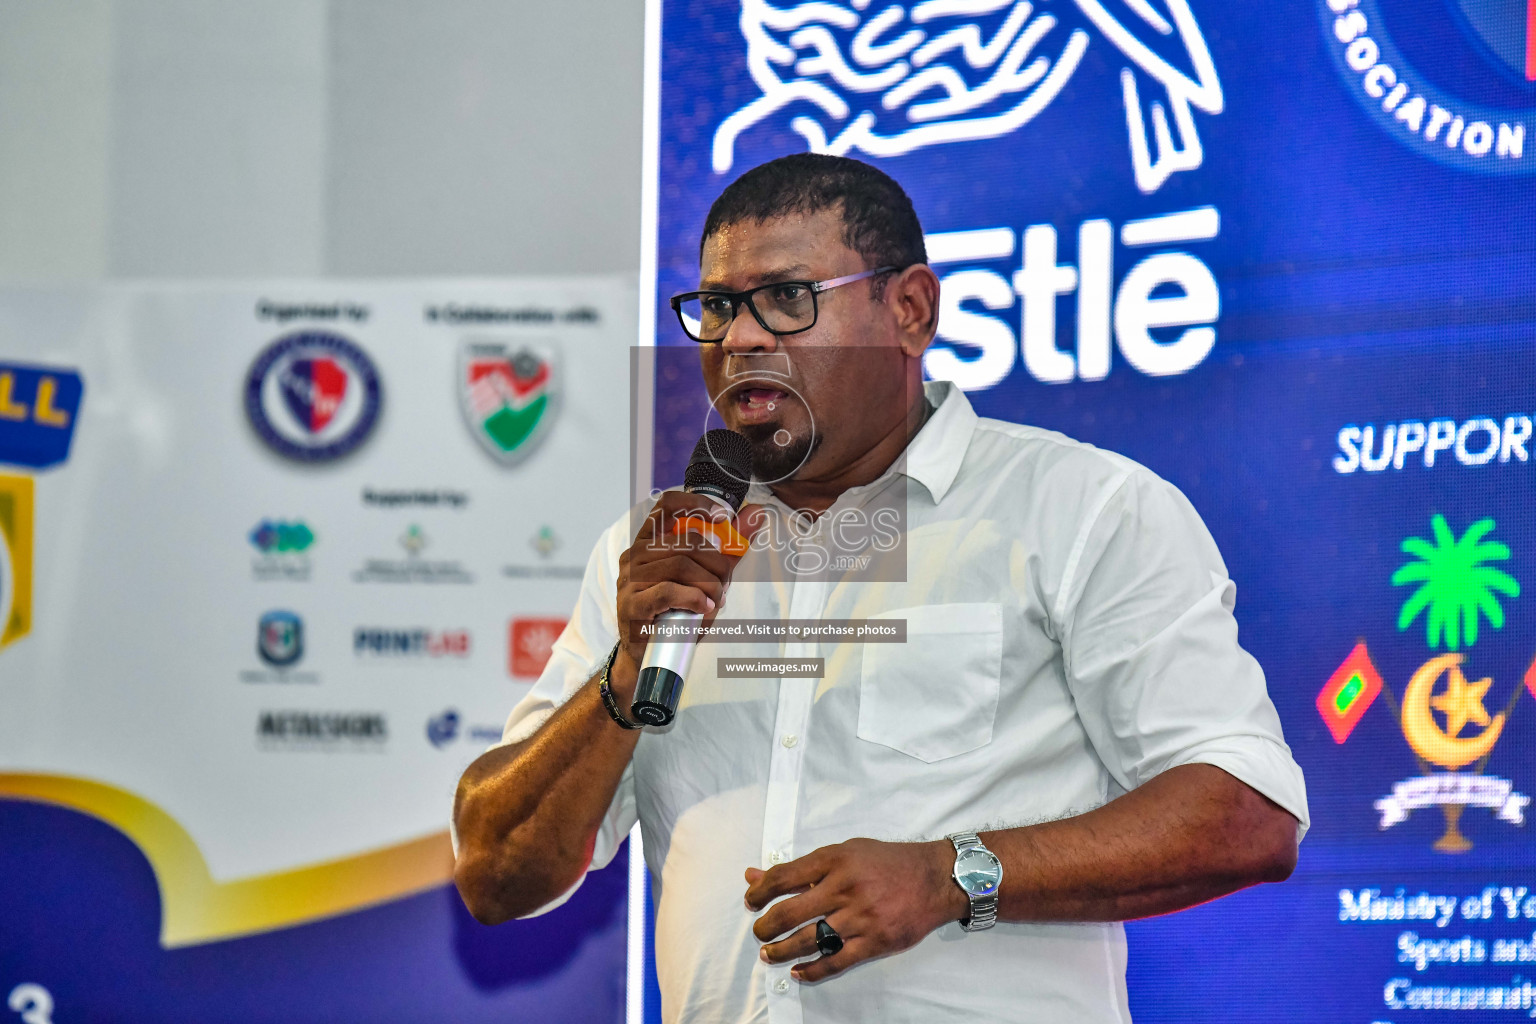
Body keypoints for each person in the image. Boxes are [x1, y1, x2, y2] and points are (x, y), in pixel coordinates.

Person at [452, 153, 1308, 1023]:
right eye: (715, 307)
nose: (740, 338)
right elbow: (496, 874)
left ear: (909, 310)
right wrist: (628, 675)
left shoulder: (1079, 509)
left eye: (788, 298)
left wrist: (949, 876)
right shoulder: (654, 553)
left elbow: (1245, 811)